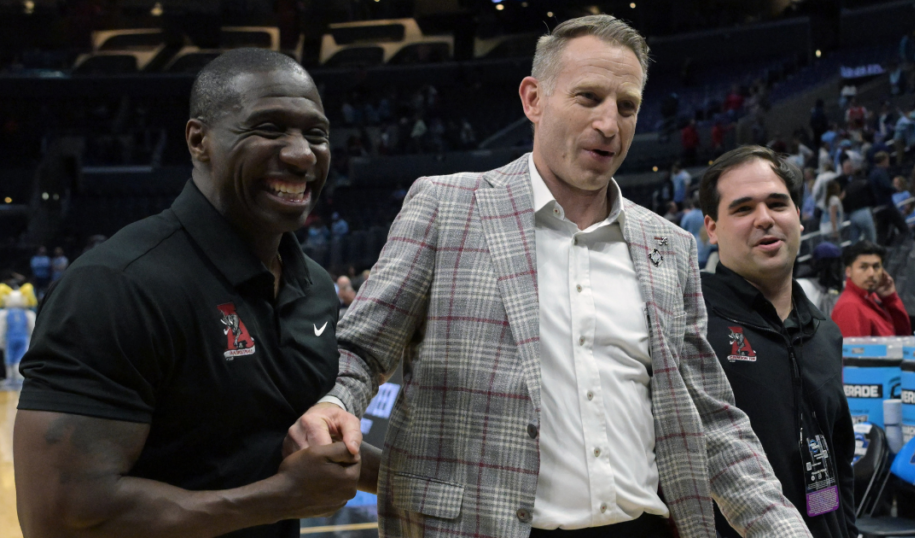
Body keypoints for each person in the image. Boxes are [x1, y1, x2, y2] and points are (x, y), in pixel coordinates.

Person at [286, 15, 812, 538]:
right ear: (533, 99)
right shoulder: (447, 207)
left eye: (627, 106)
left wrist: (783, 530)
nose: (610, 123)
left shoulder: (668, 247)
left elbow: (713, 420)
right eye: (588, 98)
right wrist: (335, 403)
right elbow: (360, 350)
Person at [14, 49, 373, 538]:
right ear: (199, 140)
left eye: (316, 134)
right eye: (268, 129)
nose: (302, 153)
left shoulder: (313, 288)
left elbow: (277, 439)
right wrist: (278, 499)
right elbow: (63, 517)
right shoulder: (115, 286)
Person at [698, 147, 856, 538]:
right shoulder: (692, 324)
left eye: (777, 203)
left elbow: (839, 459)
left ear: (799, 218)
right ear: (712, 228)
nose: (765, 219)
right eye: (743, 208)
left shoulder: (824, 332)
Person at [831, 241, 912, 337]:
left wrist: (890, 299)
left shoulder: (871, 297)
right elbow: (851, 351)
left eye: (876, 267)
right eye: (863, 267)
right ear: (848, 271)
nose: (871, 273)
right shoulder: (849, 307)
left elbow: (903, 335)